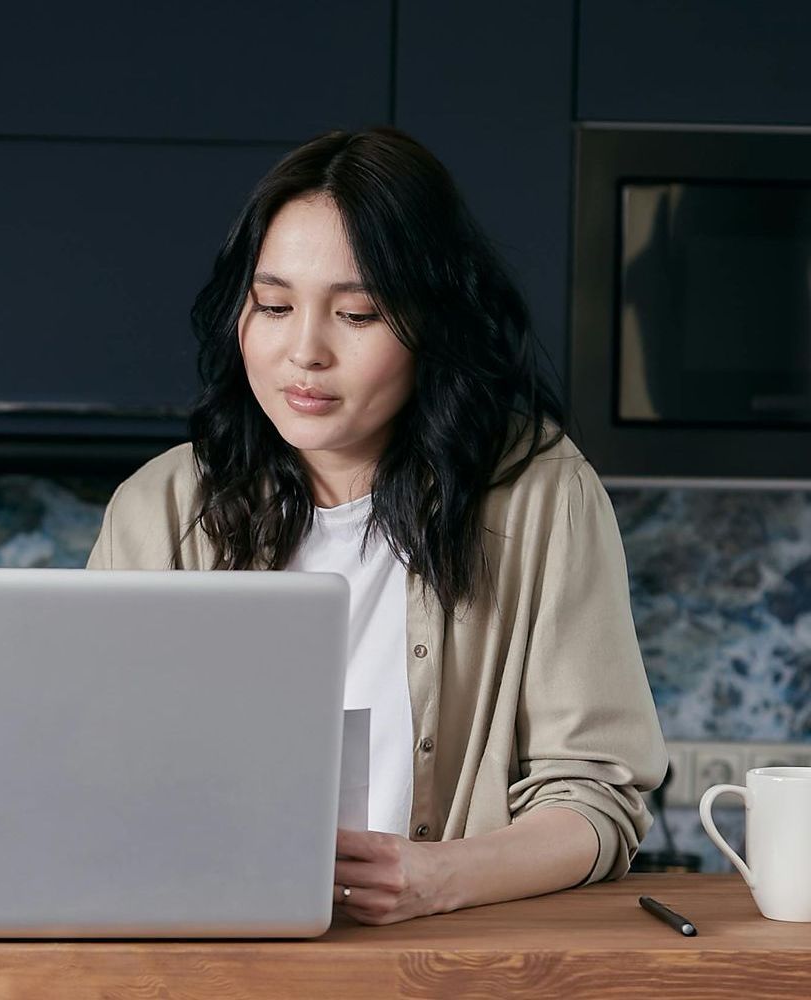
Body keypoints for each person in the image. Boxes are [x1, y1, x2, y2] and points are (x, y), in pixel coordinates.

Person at [87, 127, 666, 925]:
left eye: (357, 313)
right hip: (210, 956)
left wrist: (436, 876)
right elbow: (88, 777)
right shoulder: (159, 508)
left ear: (433, 321)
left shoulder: (540, 495)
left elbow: (598, 800)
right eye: (275, 305)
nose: (304, 352)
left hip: (445, 967)